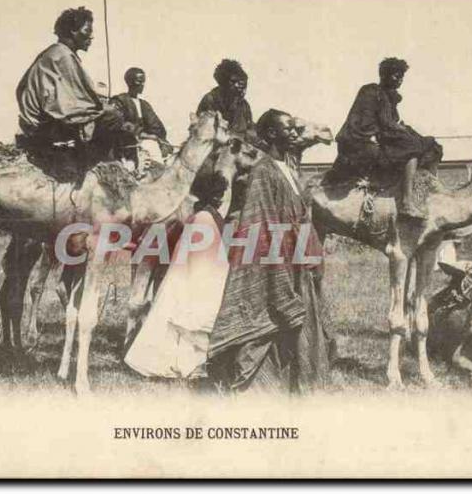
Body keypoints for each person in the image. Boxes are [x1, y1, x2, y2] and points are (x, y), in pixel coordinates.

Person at [207, 109, 330, 395]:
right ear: (271, 134)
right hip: (278, 258)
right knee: (269, 322)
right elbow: (259, 221)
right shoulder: (263, 170)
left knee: (304, 323)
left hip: (297, 253)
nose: (294, 132)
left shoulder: (287, 167)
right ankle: (257, 387)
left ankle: (299, 385)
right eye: (288, 128)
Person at [124, 172, 230, 379]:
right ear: (216, 196)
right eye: (220, 193)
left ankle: (187, 362)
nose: (222, 197)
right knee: (191, 322)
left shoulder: (200, 217)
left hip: (192, 274)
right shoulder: (206, 219)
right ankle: (188, 364)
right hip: (201, 277)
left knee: (180, 321)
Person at [15, 6, 136, 166]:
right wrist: (110, 111)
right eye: (87, 31)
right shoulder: (62, 56)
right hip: (42, 126)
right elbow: (76, 104)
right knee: (113, 117)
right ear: (73, 31)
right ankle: (93, 164)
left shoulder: (56, 53)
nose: (91, 37)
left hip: (38, 122)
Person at [335, 58, 443, 219]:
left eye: (401, 77)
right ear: (384, 75)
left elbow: (390, 123)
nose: (399, 80)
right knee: (411, 149)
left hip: (379, 136)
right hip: (360, 143)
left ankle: (430, 194)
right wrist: (397, 130)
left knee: (432, 146)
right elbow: (372, 123)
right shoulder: (371, 92)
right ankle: (406, 203)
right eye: (396, 76)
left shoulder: (389, 97)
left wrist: (401, 129)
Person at [110, 67, 171, 160]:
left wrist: (161, 140)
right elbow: (118, 123)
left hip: (148, 144)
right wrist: (141, 134)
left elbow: (156, 125)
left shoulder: (144, 105)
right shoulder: (119, 101)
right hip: (127, 145)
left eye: (143, 82)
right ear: (129, 82)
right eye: (139, 81)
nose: (142, 85)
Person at [197, 59, 254, 135]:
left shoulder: (243, 105)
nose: (238, 86)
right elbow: (203, 132)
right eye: (233, 82)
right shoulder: (210, 100)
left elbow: (249, 129)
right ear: (223, 82)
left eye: (241, 82)